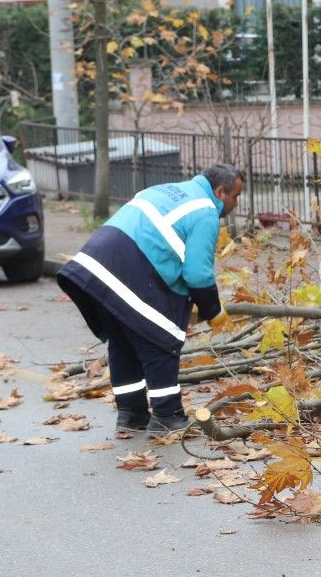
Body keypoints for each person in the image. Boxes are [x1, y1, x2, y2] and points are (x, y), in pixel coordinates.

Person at [57, 163, 244, 435]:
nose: (236, 204)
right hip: (128, 269)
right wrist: (212, 309)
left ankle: (131, 413)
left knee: (123, 342)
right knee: (160, 340)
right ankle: (168, 416)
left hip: (94, 266)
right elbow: (197, 274)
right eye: (235, 196)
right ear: (219, 191)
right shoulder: (205, 211)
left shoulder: (166, 190)